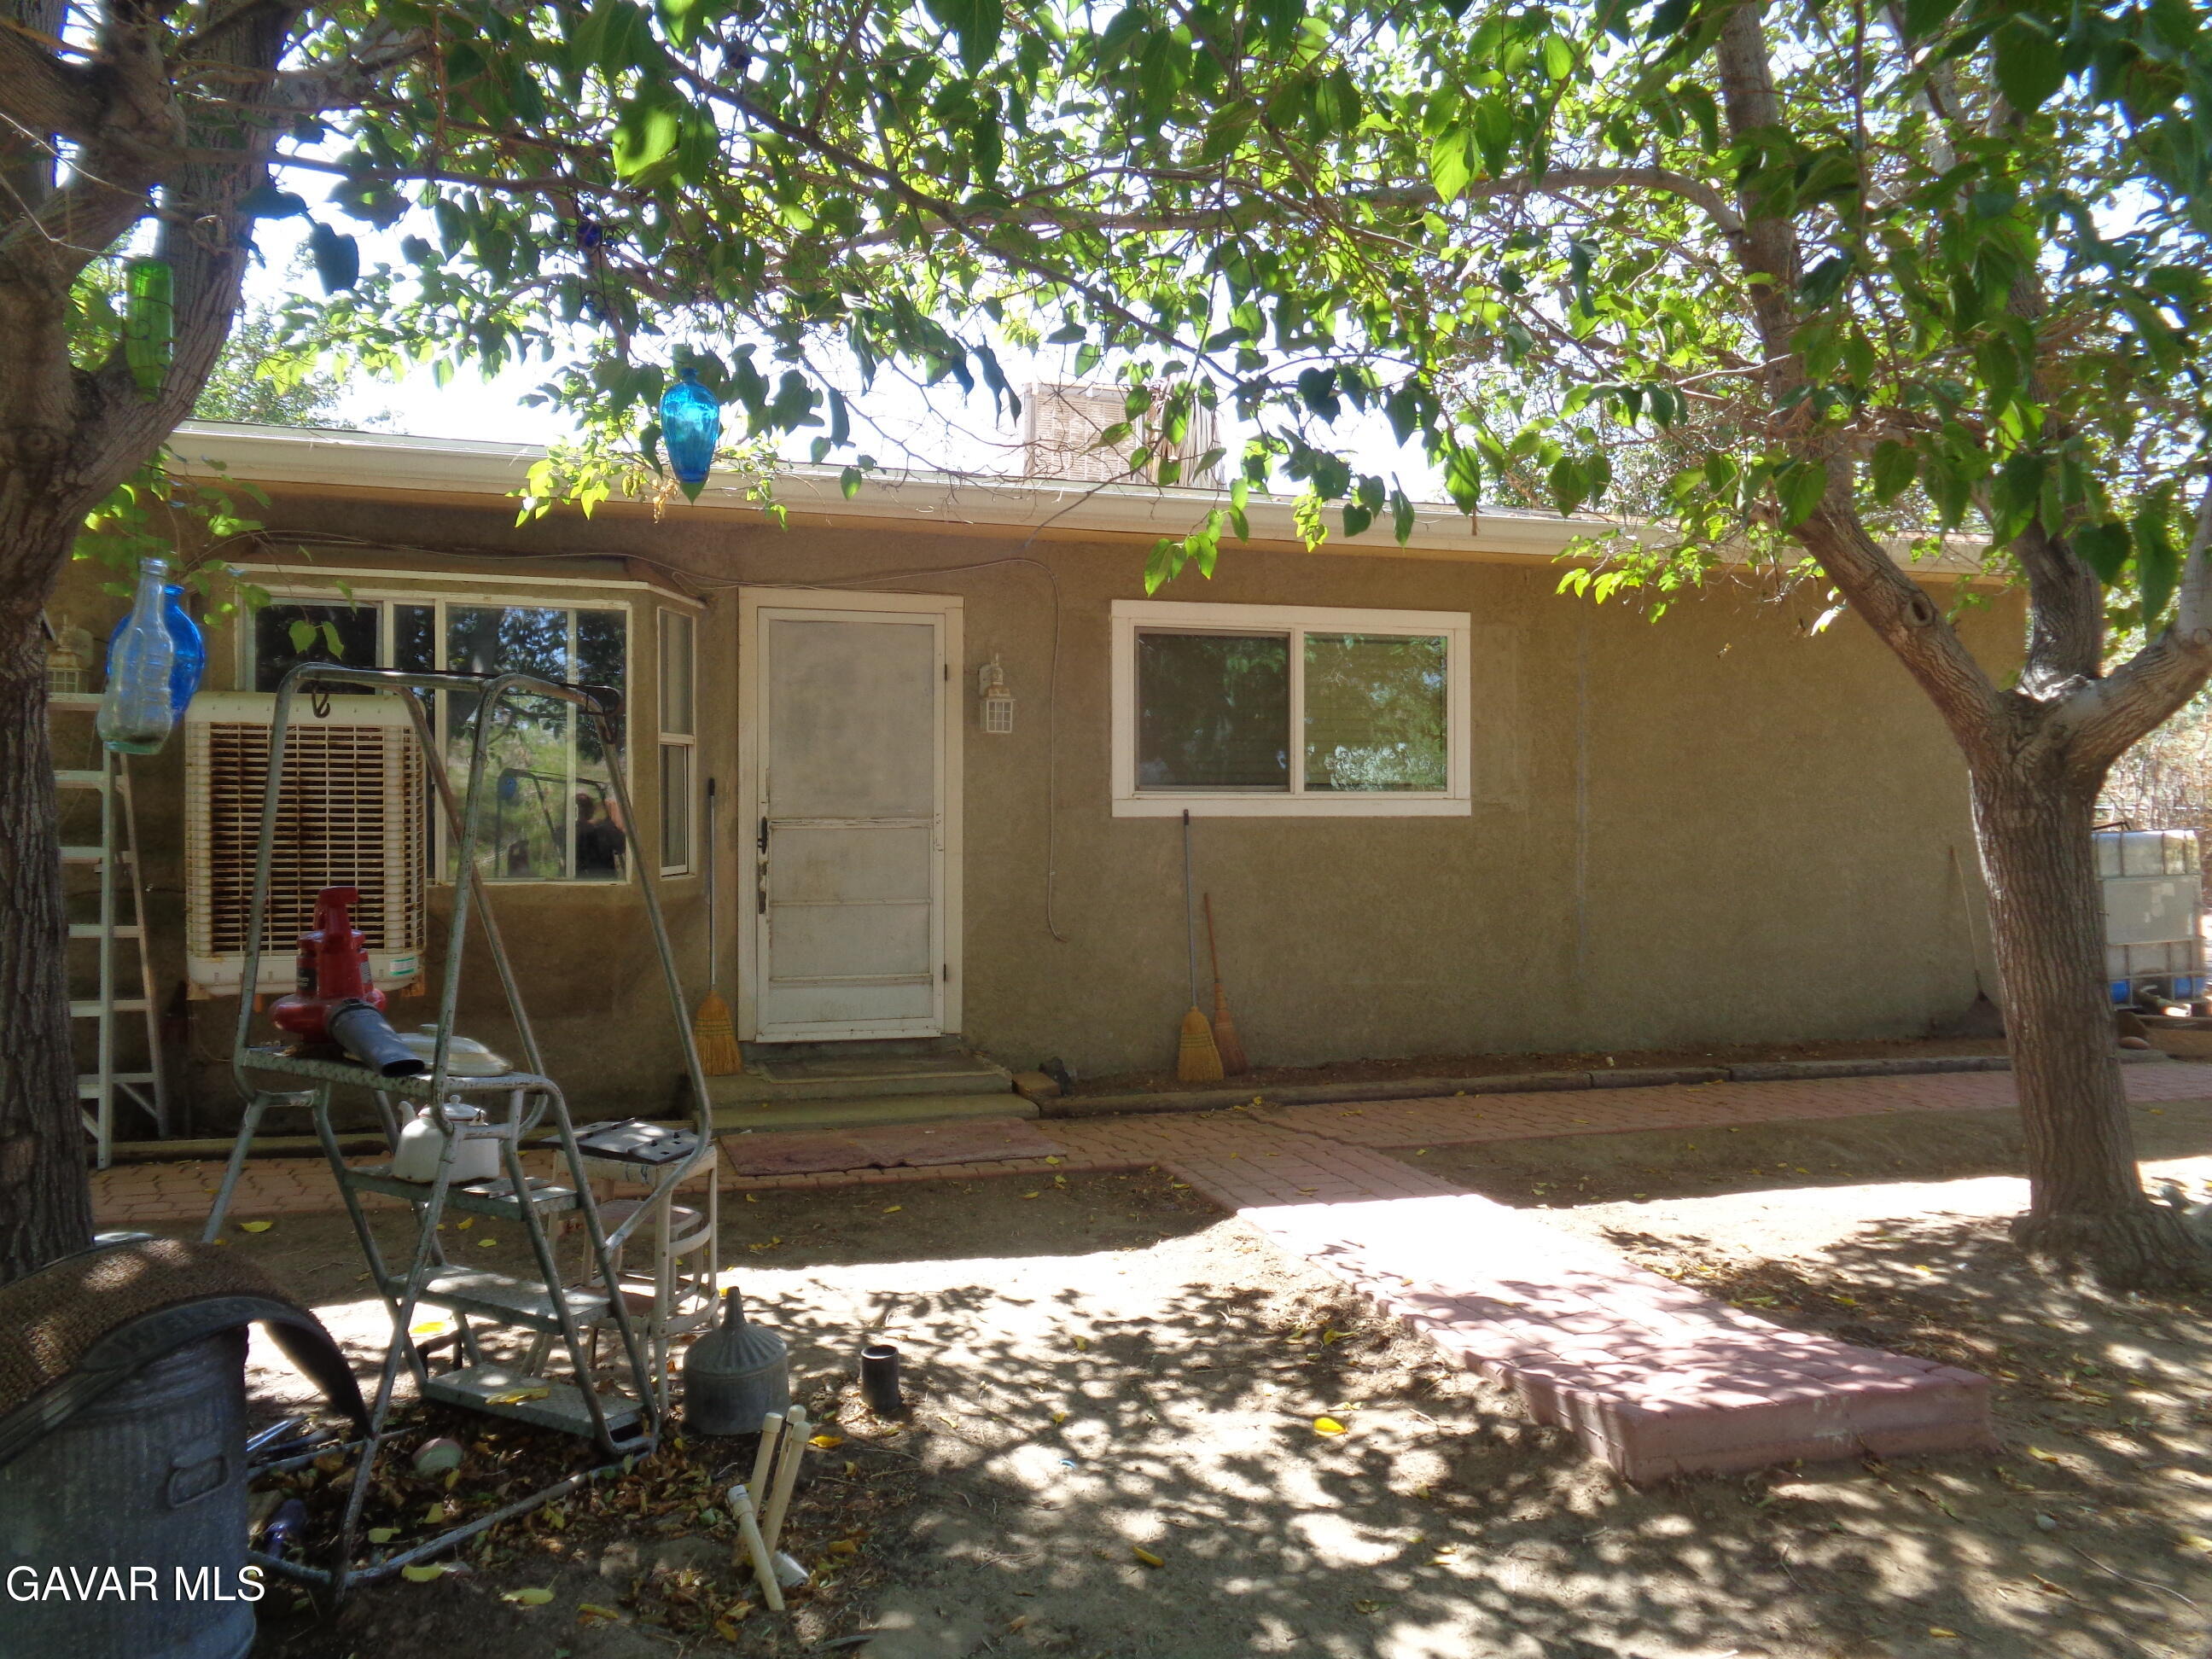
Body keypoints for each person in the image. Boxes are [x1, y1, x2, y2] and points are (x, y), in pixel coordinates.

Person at [574, 788, 626, 876]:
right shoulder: (602, 831)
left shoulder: (563, 830)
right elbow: (622, 845)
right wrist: (613, 815)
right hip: (601, 880)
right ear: (591, 810)